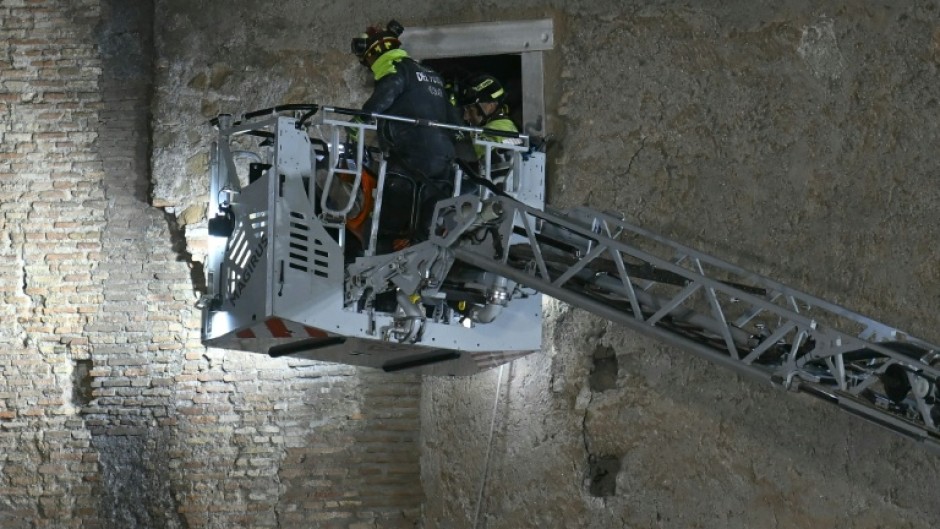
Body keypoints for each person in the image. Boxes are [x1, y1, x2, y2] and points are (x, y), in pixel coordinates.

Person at [350, 20, 458, 182]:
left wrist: (360, 119)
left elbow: (387, 93)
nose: (369, 68)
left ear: (372, 55)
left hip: (413, 151)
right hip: (445, 155)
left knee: (394, 197)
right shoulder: (431, 74)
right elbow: (453, 117)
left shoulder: (394, 68)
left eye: (367, 63)